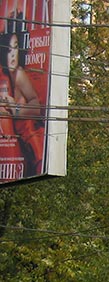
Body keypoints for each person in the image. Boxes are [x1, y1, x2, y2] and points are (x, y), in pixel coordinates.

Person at [0, 15, 44, 178]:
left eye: (16, 47)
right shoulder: (5, 76)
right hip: (20, 149)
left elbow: (37, 108)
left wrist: (16, 109)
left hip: (34, 145)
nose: (12, 54)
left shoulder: (19, 74)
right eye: (9, 49)